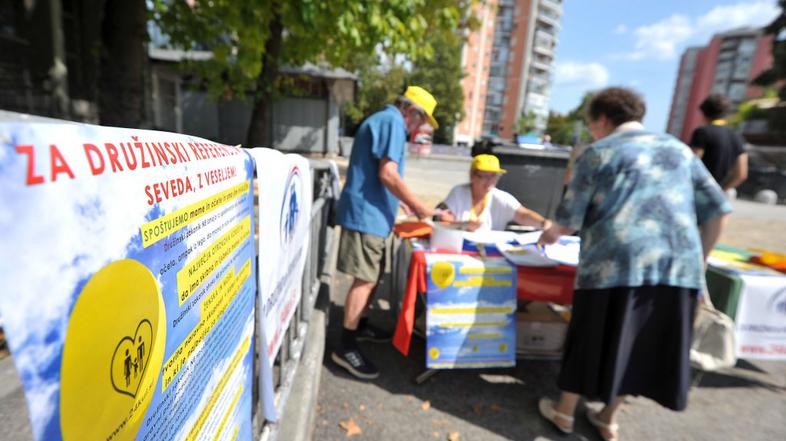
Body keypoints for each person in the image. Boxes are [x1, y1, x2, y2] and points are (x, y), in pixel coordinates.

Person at [536, 87, 731, 441]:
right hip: (677, 267)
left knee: (591, 338)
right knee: (642, 345)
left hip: (613, 264)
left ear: (604, 119)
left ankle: (564, 412)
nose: (593, 131)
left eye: (592, 124)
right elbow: (718, 209)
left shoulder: (597, 152)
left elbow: (568, 220)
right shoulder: (679, 149)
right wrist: (698, 264)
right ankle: (608, 419)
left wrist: (548, 234)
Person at [332, 86, 438, 380]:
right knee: (365, 279)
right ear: (411, 112)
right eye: (421, 121)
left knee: (373, 274)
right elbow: (388, 173)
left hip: (373, 216)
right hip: (367, 216)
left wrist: (402, 203)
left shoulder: (384, 120)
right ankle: (345, 346)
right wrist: (419, 207)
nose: (419, 128)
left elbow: (383, 176)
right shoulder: (393, 122)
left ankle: (360, 324)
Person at [436, 154, 550, 232]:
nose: (490, 181)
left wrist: (544, 224)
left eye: (494, 176)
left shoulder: (501, 197)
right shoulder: (458, 193)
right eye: (485, 176)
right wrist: (464, 225)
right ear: (472, 176)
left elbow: (523, 215)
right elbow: (442, 221)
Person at [689, 94, 748, 192]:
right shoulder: (737, 136)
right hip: (716, 194)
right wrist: (721, 190)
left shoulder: (702, 132)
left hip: (697, 191)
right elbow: (741, 174)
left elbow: (693, 164)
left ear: (703, 112)